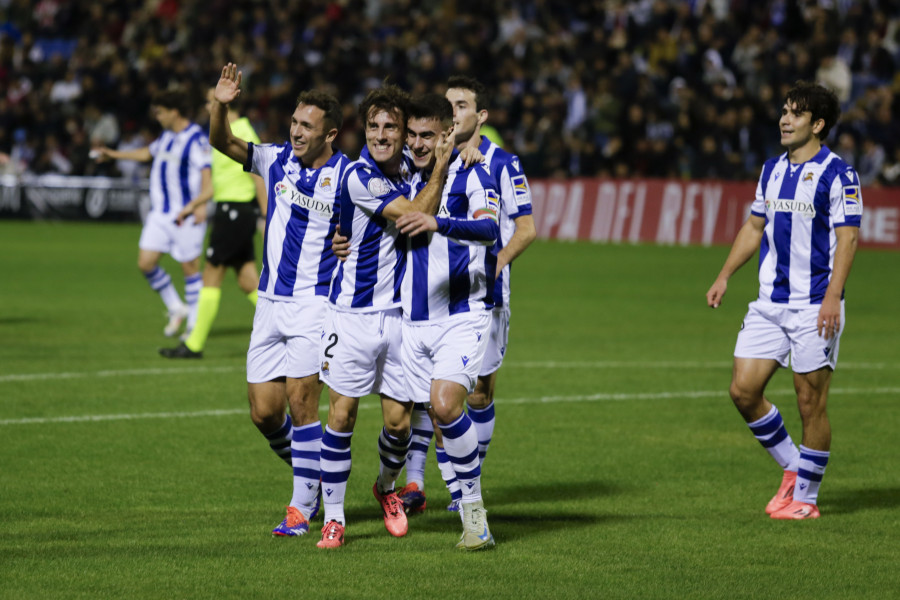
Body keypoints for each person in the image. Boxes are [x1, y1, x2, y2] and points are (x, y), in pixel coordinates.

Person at [705, 81, 861, 520]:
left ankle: (806, 500)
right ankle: (794, 468)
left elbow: (848, 240)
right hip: (769, 302)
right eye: (784, 111)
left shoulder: (839, 174)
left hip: (815, 304)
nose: (784, 119)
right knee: (743, 390)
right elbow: (754, 228)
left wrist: (833, 297)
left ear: (818, 124)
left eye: (795, 114)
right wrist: (724, 275)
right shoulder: (772, 170)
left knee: (810, 401)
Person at [208, 63, 350, 536]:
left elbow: (384, 218)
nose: (295, 131)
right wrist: (220, 105)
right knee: (264, 411)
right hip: (269, 303)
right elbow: (222, 143)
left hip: (315, 306)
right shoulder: (276, 160)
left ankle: (300, 508)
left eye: (306, 126)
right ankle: (314, 473)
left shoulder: (348, 176)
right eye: (293, 122)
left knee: (301, 404)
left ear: (330, 133)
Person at [315, 89, 457, 549]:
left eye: (390, 127)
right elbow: (416, 216)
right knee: (342, 415)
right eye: (373, 126)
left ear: (403, 135)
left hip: (399, 320)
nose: (381, 135)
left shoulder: (412, 175)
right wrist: (441, 163)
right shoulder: (360, 175)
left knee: (398, 423)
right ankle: (333, 518)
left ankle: (386, 488)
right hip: (351, 316)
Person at [398, 76, 536, 515]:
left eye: (462, 105)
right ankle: (447, 488)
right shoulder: (428, 160)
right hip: (431, 295)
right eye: (448, 105)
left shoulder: (499, 162)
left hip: (485, 289)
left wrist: (497, 264)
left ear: (480, 116)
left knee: (478, 394)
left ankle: (468, 479)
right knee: (439, 397)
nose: (453, 111)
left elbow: (526, 228)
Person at [394, 93, 501, 551]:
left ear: (447, 135)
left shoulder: (473, 171)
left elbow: (490, 228)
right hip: (411, 319)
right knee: (428, 421)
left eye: (427, 136)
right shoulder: (395, 174)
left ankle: (475, 516)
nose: (418, 144)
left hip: (462, 312)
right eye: (412, 135)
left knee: (445, 403)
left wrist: (441, 224)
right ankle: (454, 500)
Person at [94, 90, 212, 339]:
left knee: (190, 268)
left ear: (173, 112)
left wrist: (200, 204)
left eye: (160, 112)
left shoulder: (196, 139)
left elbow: (207, 177)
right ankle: (175, 307)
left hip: (185, 214)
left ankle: (193, 326)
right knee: (145, 263)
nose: (156, 116)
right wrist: (114, 154)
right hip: (160, 214)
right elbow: (148, 153)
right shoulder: (167, 137)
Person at [159, 89, 267, 359]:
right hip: (230, 210)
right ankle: (284, 328)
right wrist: (194, 205)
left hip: (234, 211)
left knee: (211, 274)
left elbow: (260, 176)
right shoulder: (228, 130)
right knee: (248, 282)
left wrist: (267, 216)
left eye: (211, 101)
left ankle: (194, 344)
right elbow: (219, 182)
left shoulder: (241, 130)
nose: (208, 105)